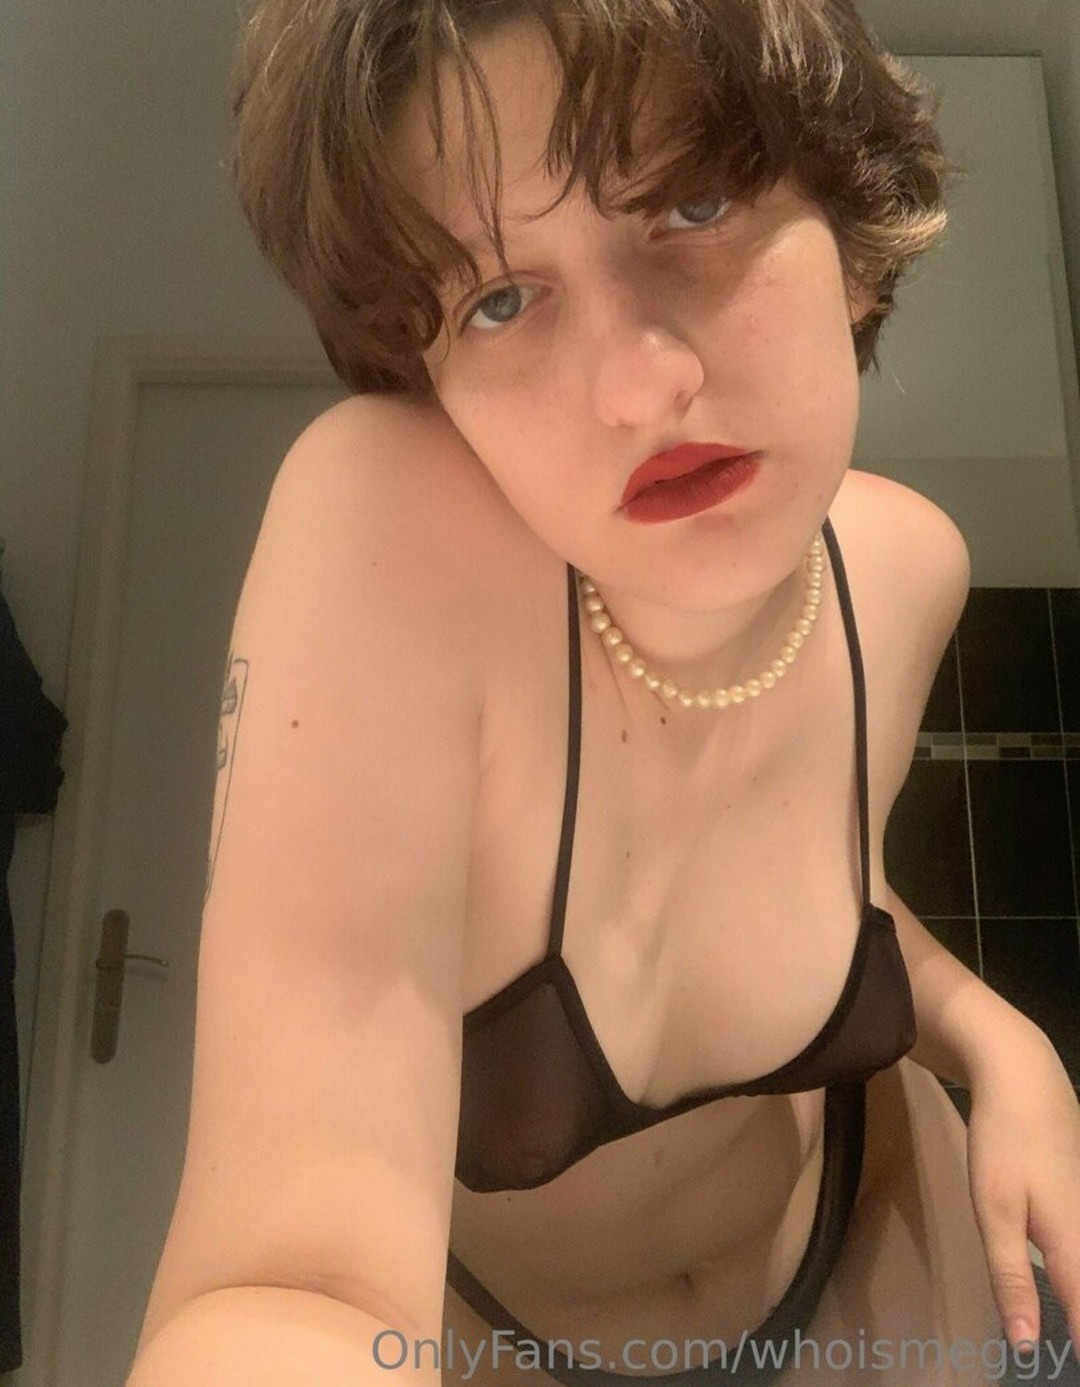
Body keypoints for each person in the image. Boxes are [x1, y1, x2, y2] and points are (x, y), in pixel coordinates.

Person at [127, 3, 1080, 1385]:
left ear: (854, 237)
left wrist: (1002, 1041)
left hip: (877, 1258)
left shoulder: (909, 568)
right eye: (498, 300)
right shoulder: (392, 535)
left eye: (694, 206)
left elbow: (827, 888)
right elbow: (288, 1283)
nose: (642, 384)